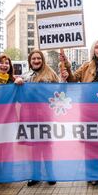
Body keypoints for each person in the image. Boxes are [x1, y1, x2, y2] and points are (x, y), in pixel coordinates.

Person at [60, 39, 98, 187]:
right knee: (91, 145)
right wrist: (67, 66)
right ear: (93, 50)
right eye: (97, 47)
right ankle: (93, 176)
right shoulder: (86, 67)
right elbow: (74, 80)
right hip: (89, 112)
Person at [15, 49, 59, 186]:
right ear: (30, 61)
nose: (36, 61)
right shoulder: (25, 76)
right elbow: (19, 98)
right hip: (30, 115)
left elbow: (59, 93)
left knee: (46, 145)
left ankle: (50, 174)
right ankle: (36, 175)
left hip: (45, 115)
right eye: (33, 59)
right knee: (34, 146)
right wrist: (17, 85)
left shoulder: (51, 74)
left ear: (42, 60)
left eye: (38, 58)